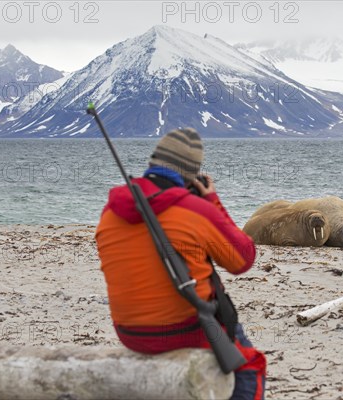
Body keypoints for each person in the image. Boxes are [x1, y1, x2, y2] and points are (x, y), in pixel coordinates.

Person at [95, 128, 266, 399]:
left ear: (152, 165)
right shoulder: (195, 209)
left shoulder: (110, 212)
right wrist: (212, 201)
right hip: (186, 330)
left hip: (130, 333)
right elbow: (242, 260)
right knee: (249, 367)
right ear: (191, 177)